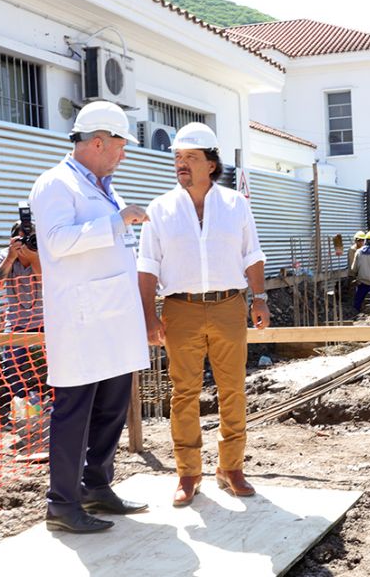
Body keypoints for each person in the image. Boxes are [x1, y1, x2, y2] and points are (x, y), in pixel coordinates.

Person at [29, 101, 151, 533]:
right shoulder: (55, 185)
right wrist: (117, 221)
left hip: (113, 320)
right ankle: (62, 504)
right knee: (75, 412)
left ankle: (96, 486)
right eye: (121, 145)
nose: (124, 153)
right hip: (81, 321)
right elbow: (58, 243)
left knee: (112, 407)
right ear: (98, 141)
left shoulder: (103, 185)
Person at [137, 122, 269, 507]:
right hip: (181, 310)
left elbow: (252, 255)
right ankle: (188, 473)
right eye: (178, 158)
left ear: (211, 164)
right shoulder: (160, 209)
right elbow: (147, 266)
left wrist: (259, 299)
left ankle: (231, 468)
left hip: (230, 305)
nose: (182, 165)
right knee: (184, 393)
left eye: (191, 158)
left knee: (233, 390)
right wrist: (149, 316)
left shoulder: (235, 205)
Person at [0, 220, 44, 429]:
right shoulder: (4, 255)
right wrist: (11, 258)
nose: (27, 242)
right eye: (22, 239)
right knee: (10, 361)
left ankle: (58, 399)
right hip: (17, 320)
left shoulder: (43, 252)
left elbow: (47, 281)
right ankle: (22, 400)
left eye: (31, 238)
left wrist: (33, 257)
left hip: (48, 319)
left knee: (62, 357)